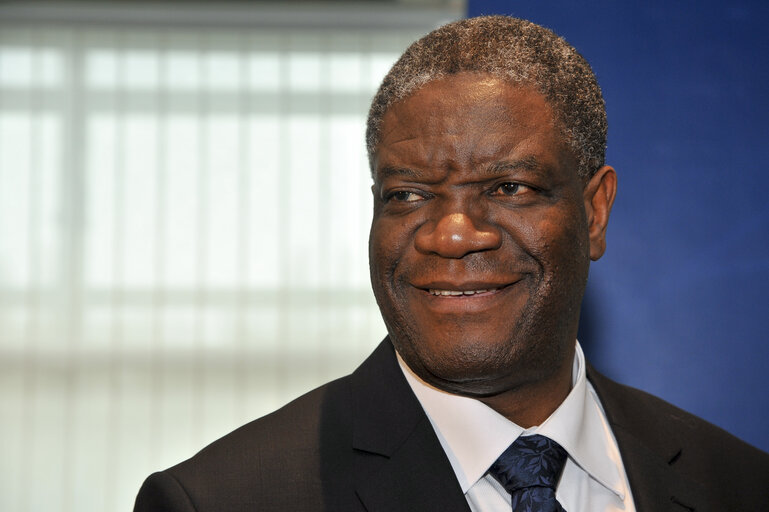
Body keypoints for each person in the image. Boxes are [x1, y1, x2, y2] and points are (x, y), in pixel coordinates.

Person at [134, 15, 769, 512]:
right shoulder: (220, 500)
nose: (453, 234)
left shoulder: (740, 485)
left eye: (509, 187)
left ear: (594, 212)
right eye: (408, 195)